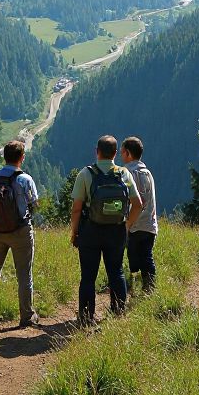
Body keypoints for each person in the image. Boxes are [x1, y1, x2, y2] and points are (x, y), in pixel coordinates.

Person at [69, 135, 143, 325]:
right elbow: (138, 204)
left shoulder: (85, 174)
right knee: (116, 272)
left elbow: (76, 209)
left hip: (90, 231)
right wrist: (127, 225)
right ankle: (118, 314)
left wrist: (74, 232)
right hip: (116, 231)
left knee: (88, 276)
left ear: (97, 151)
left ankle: (86, 317)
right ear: (115, 153)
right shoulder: (124, 174)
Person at [0, 140, 41, 328]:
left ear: (4, 157)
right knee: (24, 275)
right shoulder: (25, 179)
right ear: (22, 158)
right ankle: (26, 316)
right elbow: (35, 204)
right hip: (20, 231)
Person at [121, 136, 157, 293]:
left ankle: (134, 288)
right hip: (149, 224)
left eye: (122, 152)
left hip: (133, 224)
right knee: (147, 257)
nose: (121, 155)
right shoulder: (147, 172)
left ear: (128, 153)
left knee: (134, 259)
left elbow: (131, 201)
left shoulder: (127, 173)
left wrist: (127, 223)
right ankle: (150, 289)